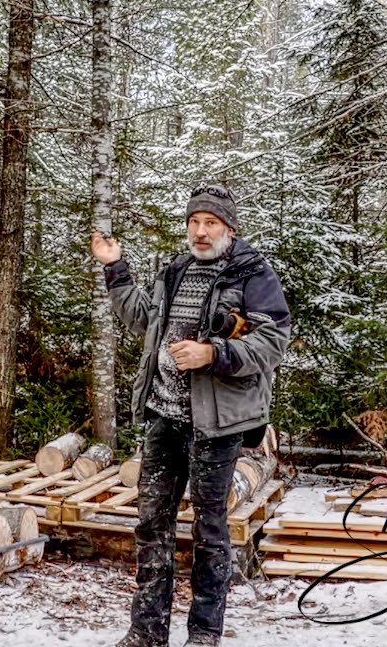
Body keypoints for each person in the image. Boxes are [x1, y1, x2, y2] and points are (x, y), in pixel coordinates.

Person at [91, 185, 291, 647]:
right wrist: (114, 267)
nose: (201, 232)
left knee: (210, 529)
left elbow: (273, 342)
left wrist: (213, 353)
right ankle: (147, 631)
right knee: (151, 523)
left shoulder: (252, 273)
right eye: (194, 222)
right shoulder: (176, 270)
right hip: (163, 416)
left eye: (211, 223)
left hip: (216, 426)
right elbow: (143, 319)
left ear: (229, 228)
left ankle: (203, 634)